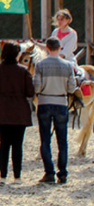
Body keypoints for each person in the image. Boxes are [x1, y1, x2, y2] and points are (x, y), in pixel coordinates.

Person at [0, 42, 34, 184]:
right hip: (19, 110)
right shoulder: (23, 71)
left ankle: (2, 176)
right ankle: (17, 176)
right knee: (18, 145)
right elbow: (30, 92)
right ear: (17, 54)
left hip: (2, 110)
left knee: (4, 144)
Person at [33, 37, 77, 184]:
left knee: (45, 140)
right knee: (62, 140)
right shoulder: (67, 65)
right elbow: (71, 88)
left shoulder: (40, 65)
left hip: (45, 102)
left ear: (47, 48)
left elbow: (37, 87)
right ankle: (63, 173)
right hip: (61, 102)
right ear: (59, 48)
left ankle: (49, 172)